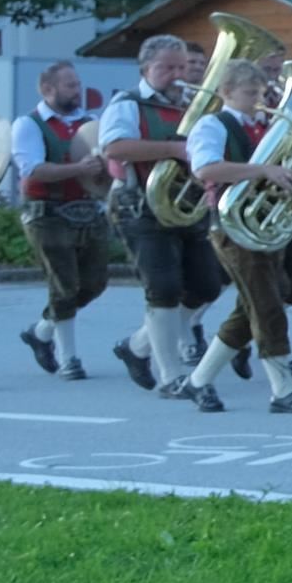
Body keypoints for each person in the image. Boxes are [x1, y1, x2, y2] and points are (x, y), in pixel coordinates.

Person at [180, 58, 292, 416]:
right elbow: (206, 168)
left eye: (261, 93)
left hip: (269, 221)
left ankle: (199, 381)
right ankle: (283, 390)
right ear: (226, 92)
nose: (258, 101)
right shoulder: (212, 125)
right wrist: (263, 170)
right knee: (266, 304)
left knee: (264, 301)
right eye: (250, 93)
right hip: (233, 224)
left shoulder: (266, 126)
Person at [95, 33, 225, 394]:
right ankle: (170, 376)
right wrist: (173, 149)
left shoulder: (194, 106)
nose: (177, 75)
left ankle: (138, 346)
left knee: (206, 285)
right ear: (145, 69)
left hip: (187, 205)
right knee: (163, 288)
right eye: (167, 68)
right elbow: (114, 147)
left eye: (181, 67)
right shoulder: (128, 105)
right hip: (140, 206)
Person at [6, 60, 111, 381]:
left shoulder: (89, 123)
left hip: (87, 210)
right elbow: (33, 170)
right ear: (47, 89)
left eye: (77, 85)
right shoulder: (29, 124)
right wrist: (79, 169)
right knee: (64, 286)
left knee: (94, 283)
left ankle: (41, 331)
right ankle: (69, 358)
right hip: (47, 212)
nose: (77, 91)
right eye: (70, 86)